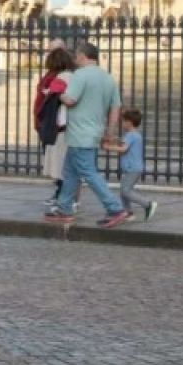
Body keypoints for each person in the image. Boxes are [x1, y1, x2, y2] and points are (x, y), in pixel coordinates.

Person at [44, 41, 128, 228]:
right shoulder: (108, 78)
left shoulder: (80, 75)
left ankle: (115, 209)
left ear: (83, 56)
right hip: (93, 132)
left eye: (76, 56)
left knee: (89, 173)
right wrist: (110, 131)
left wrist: (56, 93)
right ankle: (64, 208)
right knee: (70, 172)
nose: (75, 60)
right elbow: (115, 107)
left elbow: (71, 100)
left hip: (79, 132)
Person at [34, 47, 74, 212]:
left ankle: (63, 199)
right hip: (55, 125)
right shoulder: (61, 76)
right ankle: (62, 197)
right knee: (59, 163)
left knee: (59, 164)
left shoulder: (58, 77)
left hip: (56, 126)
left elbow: (54, 95)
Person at [108, 108, 157, 222]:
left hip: (132, 168)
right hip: (133, 168)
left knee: (125, 191)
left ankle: (147, 204)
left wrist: (108, 147)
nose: (122, 124)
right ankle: (128, 212)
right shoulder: (135, 135)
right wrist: (115, 142)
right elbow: (124, 145)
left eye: (124, 121)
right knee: (124, 190)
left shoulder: (130, 135)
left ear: (129, 122)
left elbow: (123, 149)